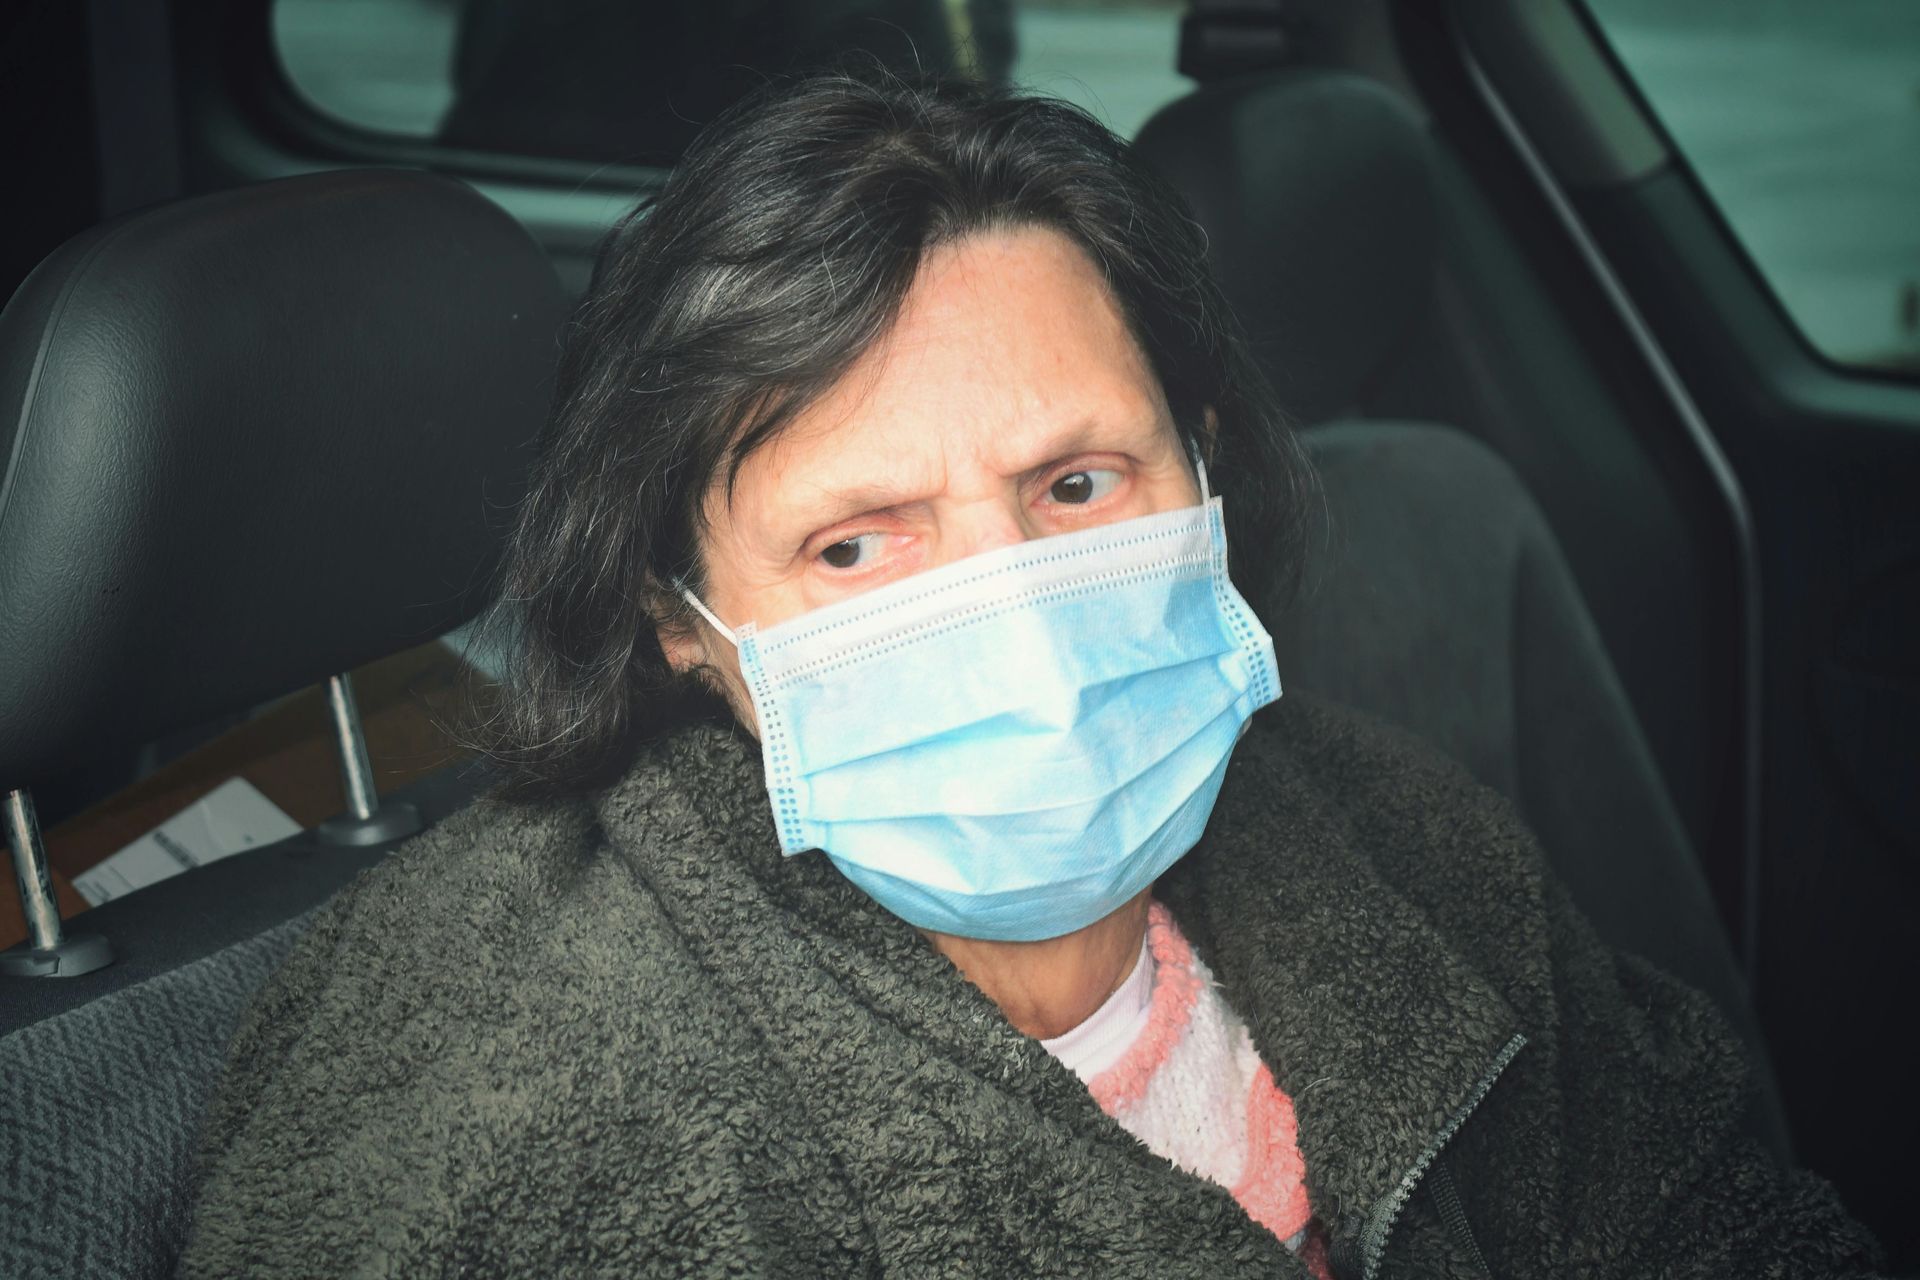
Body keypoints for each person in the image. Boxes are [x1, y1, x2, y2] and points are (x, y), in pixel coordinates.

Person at [179, 69, 1888, 1278]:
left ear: (1201, 477)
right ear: (681, 616)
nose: (1015, 619)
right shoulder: (511, 1104)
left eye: (1078, 487)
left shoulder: (1402, 841)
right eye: (860, 542)